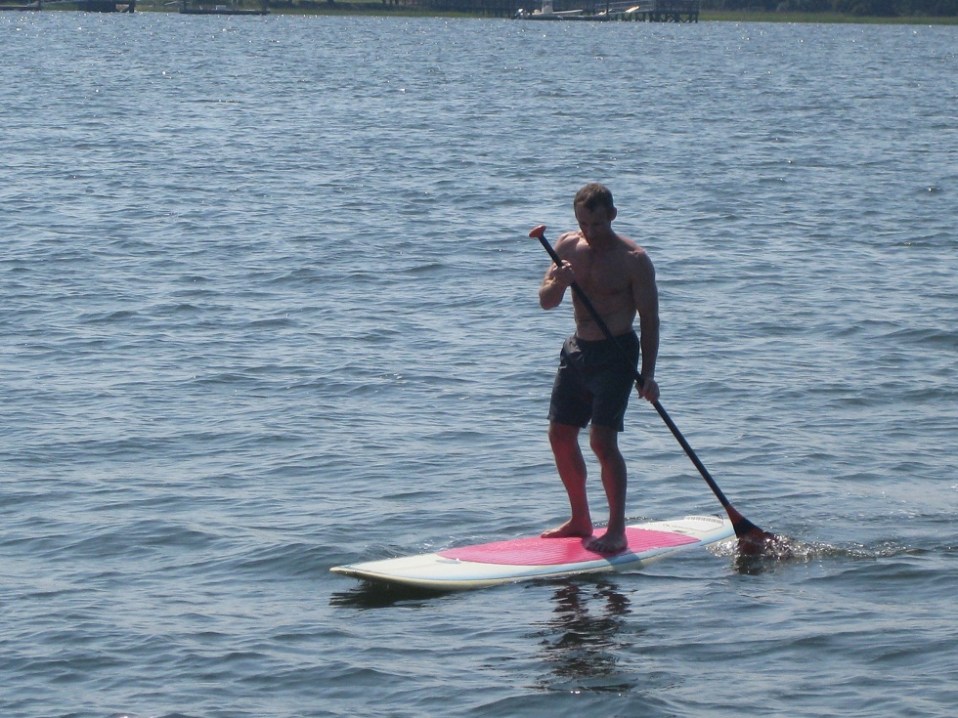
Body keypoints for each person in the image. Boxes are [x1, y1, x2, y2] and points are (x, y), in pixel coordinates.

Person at [538, 183, 660, 554]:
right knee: (560, 435)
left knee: (602, 441)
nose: (590, 232)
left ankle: (618, 529)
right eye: (583, 224)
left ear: (612, 215)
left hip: (617, 353)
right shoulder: (565, 247)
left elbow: (651, 320)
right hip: (577, 350)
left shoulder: (633, 260)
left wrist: (650, 374)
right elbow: (546, 302)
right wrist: (557, 284)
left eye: (597, 224)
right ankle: (581, 519)